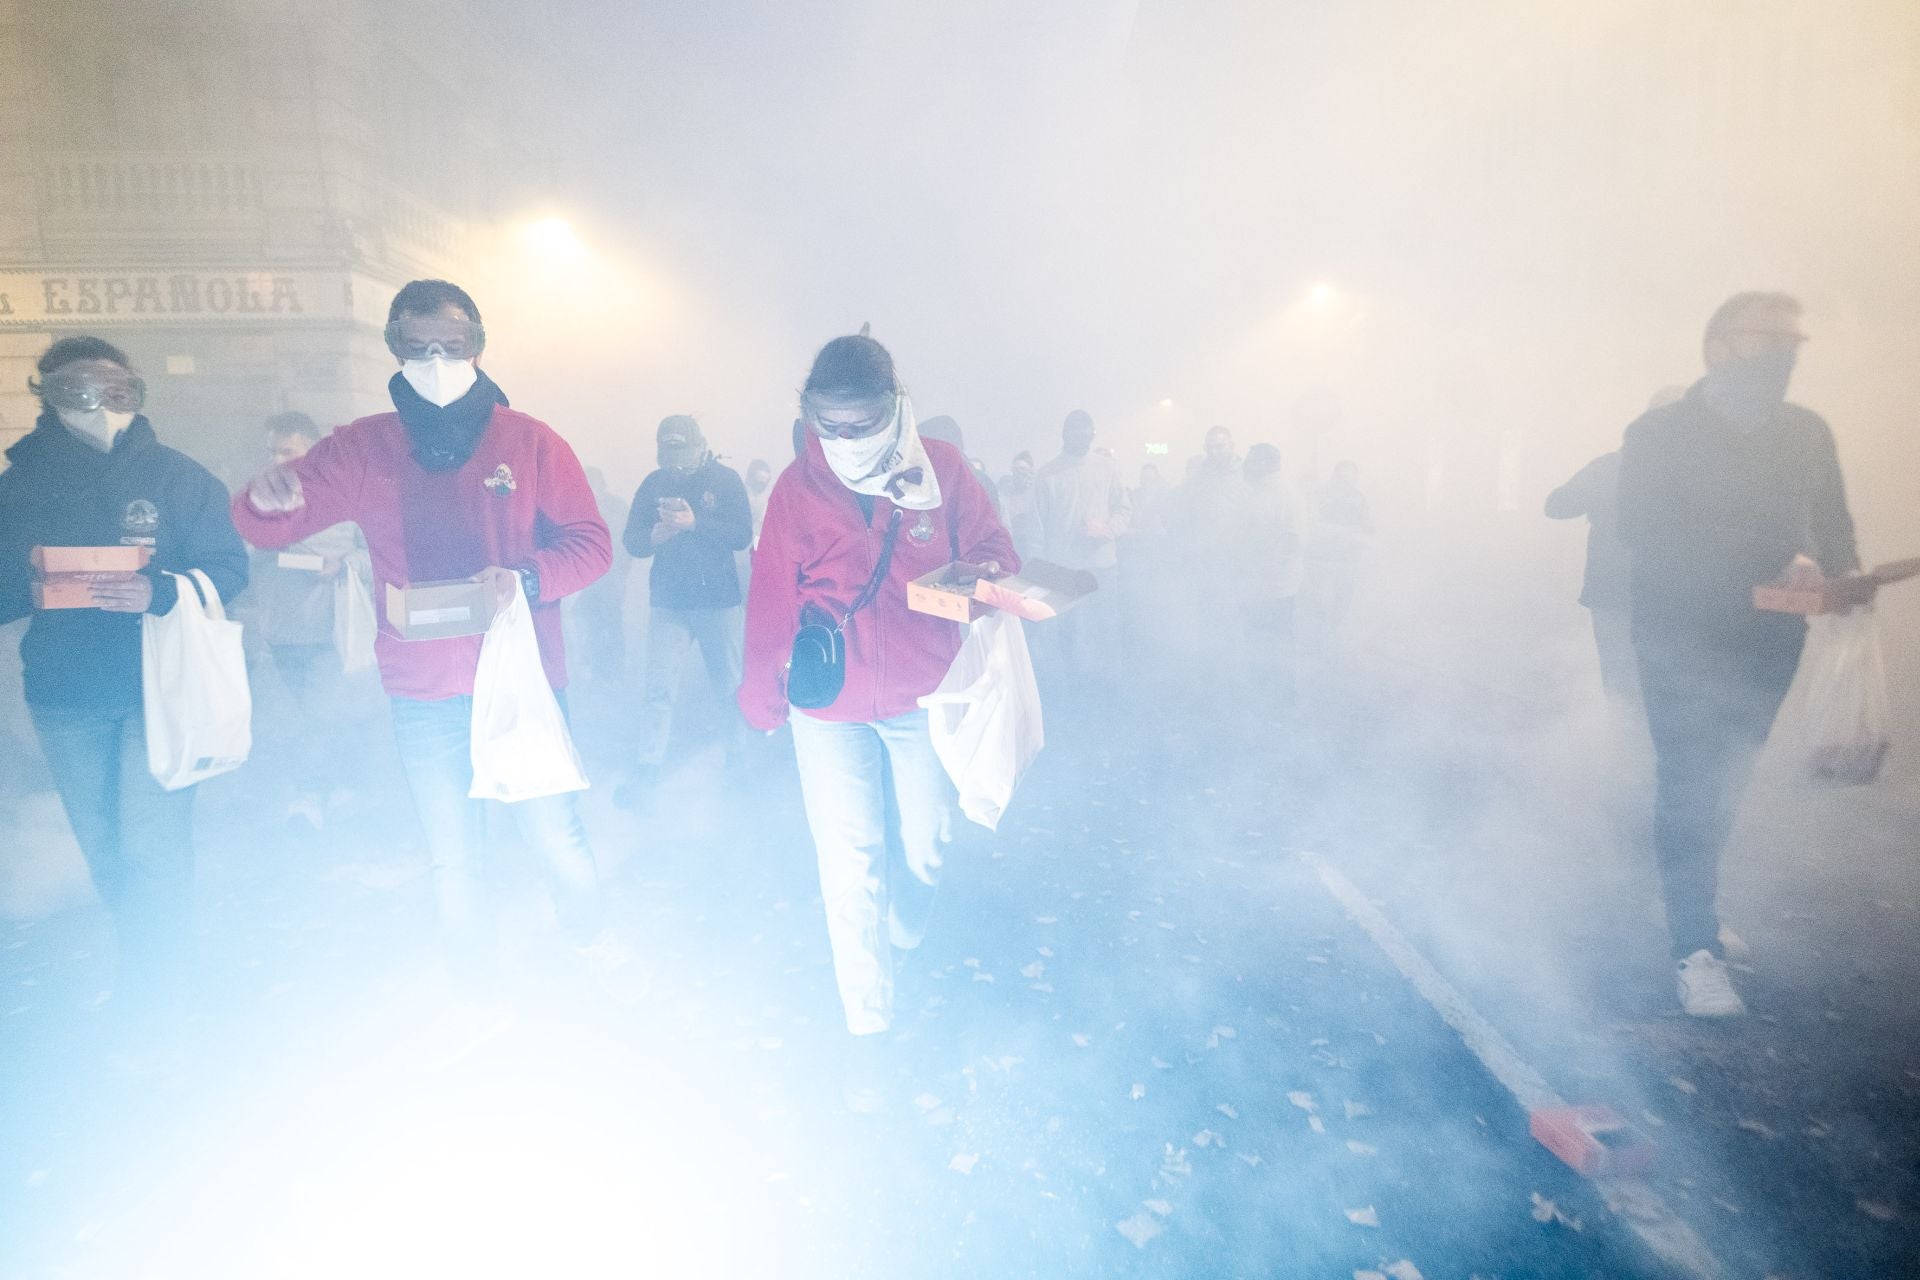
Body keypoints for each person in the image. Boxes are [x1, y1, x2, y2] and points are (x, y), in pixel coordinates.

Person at [231, 280, 620, 987]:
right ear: (395, 345)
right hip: (424, 690)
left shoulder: (530, 442)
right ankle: (473, 980)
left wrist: (526, 579)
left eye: (454, 342)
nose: (437, 356)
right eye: (419, 343)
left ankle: (590, 942)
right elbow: (269, 519)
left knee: (553, 832)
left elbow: (592, 544)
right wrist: (265, 498)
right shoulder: (365, 448)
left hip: (522, 678)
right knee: (452, 852)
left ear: (478, 344)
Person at [740, 334, 1015, 1110]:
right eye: (831, 425)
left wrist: (986, 575)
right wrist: (760, 688)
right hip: (826, 703)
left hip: (923, 695)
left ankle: (905, 933)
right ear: (809, 416)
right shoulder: (796, 490)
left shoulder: (943, 472)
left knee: (924, 846)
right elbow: (770, 595)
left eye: (863, 423)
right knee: (849, 857)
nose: (847, 440)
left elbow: (994, 548)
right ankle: (869, 1021)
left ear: (895, 408)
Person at [1617, 291, 1862, 1019]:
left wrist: (1835, 574)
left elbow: (1832, 524)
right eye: (1766, 344)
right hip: (1679, 634)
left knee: (1728, 779)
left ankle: (1692, 902)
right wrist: (1769, 562)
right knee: (1690, 780)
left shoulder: (1807, 433)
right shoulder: (1660, 433)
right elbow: (1645, 533)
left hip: (1770, 639)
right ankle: (1694, 947)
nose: (1781, 360)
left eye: (1790, 347)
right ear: (1720, 347)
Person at [0, 336, 248, 1019]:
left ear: (136, 393)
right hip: (65, 694)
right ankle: (149, 962)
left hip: (159, 690)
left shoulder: (179, 478)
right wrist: (25, 579)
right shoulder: (19, 486)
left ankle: (158, 995)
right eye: (77, 391)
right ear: (46, 396)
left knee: (152, 847)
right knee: (106, 851)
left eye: (115, 391)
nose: (98, 406)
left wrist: (159, 591)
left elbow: (230, 569)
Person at [248, 411, 373, 828]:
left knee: (321, 713)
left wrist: (343, 563)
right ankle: (339, 787)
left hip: (330, 627)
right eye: (273, 452)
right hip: (282, 630)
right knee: (304, 715)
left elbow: (379, 556)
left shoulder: (348, 498)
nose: (278, 460)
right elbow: (243, 556)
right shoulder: (257, 498)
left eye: (289, 451)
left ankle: (312, 795)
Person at [618, 416, 751, 804]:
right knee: (658, 688)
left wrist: (696, 523)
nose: (676, 464)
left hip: (718, 602)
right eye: (669, 455)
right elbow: (632, 540)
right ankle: (648, 766)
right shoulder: (653, 483)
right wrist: (653, 537)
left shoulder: (725, 480)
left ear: (700, 445)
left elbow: (741, 536)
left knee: (729, 686)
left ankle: (737, 762)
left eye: (683, 454)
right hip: (669, 602)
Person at [1032, 410, 1129, 688]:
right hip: (1064, 568)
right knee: (1069, 630)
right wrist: (1039, 567)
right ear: (1065, 435)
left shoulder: (1108, 468)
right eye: (1076, 433)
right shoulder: (1048, 474)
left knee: (1107, 625)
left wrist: (1108, 530)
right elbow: (1037, 526)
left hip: (1102, 565)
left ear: (1094, 435)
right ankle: (1074, 686)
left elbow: (1124, 508)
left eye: (1088, 434)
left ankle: (1112, 683)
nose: (1082, 438)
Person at [1235, 444, 1307, 713]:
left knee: (1277, 642)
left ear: (1266, 465)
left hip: (1278, 586)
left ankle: (1285, 697)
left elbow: (1291, 542)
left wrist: (1261, 565)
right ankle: (1260, 693)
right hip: (1253, 585)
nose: (1245, 467)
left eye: (1251, 462)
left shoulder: (1287, 496)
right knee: (1255, 640)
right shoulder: (1252, 492)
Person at [1307, 459, 1373, 633]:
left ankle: (1336, 630)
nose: (1345, 480)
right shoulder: (1321, 495)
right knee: (1319, 596)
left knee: (1343, 595)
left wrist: (1364, 535)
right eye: (1342, 475)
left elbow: (1366, 525)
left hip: (1348, 557)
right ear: (1335, 475)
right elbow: (1312, 522)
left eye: (1349, 476)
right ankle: (1319, 628)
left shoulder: (1359, 498)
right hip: (1323, 557)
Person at [997, 451, 1042, 557]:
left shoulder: (1037, 493)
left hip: (1032, 545)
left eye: (1022, 470)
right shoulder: (1004, 492)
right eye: (1015, 470)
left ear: (1030, 472)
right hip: (1011, 542)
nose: (1018, 474)